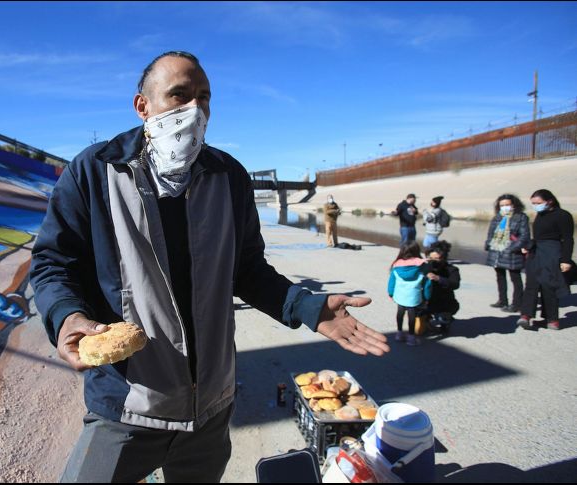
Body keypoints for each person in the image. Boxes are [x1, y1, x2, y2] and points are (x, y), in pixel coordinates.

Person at [29, 51, 390, 483]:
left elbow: (248, 271)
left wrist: (307, 307)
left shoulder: (228, 176)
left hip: (210, 411)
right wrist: (66, 316)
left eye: (204, 98)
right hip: (127, 407)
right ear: (143, 105)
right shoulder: (94, 172)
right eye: (179, 95)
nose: (194, 109)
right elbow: (53, 262)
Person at [517, 189, 574, 331]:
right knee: (531, 283)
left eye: (538, 203)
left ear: (550, 201)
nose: (535, 206)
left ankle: (552, 320)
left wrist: (566, 260)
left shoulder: (563, 215)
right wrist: (528, 246)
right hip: (536, 252)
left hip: (552, 253)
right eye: (533, 203)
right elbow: (539, 236)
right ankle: (525, 316)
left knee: (549, 285)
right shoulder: (540, 214)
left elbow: (568, 239)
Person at [484, 194, 530, 313]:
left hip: (512, 252)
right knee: (500, 276)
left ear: (514, 205)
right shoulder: (497, 218)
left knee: (515, 278)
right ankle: (502, 300)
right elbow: (491, 233)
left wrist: (512, 248)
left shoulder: (521, 217)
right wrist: (489, 244)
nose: (505, 207)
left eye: (507, 205)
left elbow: (524, 236)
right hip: (497, 251)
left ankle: (517, 304)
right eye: (502, 205)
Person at [388, 241, 432, 346]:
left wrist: (391, 293)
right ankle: (411, 337)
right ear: (417, 251)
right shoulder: (422, 266)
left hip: (400, 295)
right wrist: (427, 297)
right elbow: (427, 284)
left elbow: (391, 281)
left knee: (400, 312)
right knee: (412, 315)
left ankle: (399, 333)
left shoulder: (397, 266)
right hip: (414, 296)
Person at [424, 241, 460, 333]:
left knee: (443, 318)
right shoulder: (424, 267)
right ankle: (426, 319)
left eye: (436, 259)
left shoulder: (451, 269)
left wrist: (438, 278)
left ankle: (445, 323)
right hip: (426, 301)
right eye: (430, 258)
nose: (433, 261)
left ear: (444, 258)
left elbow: (455, 284)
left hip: (444, 302)